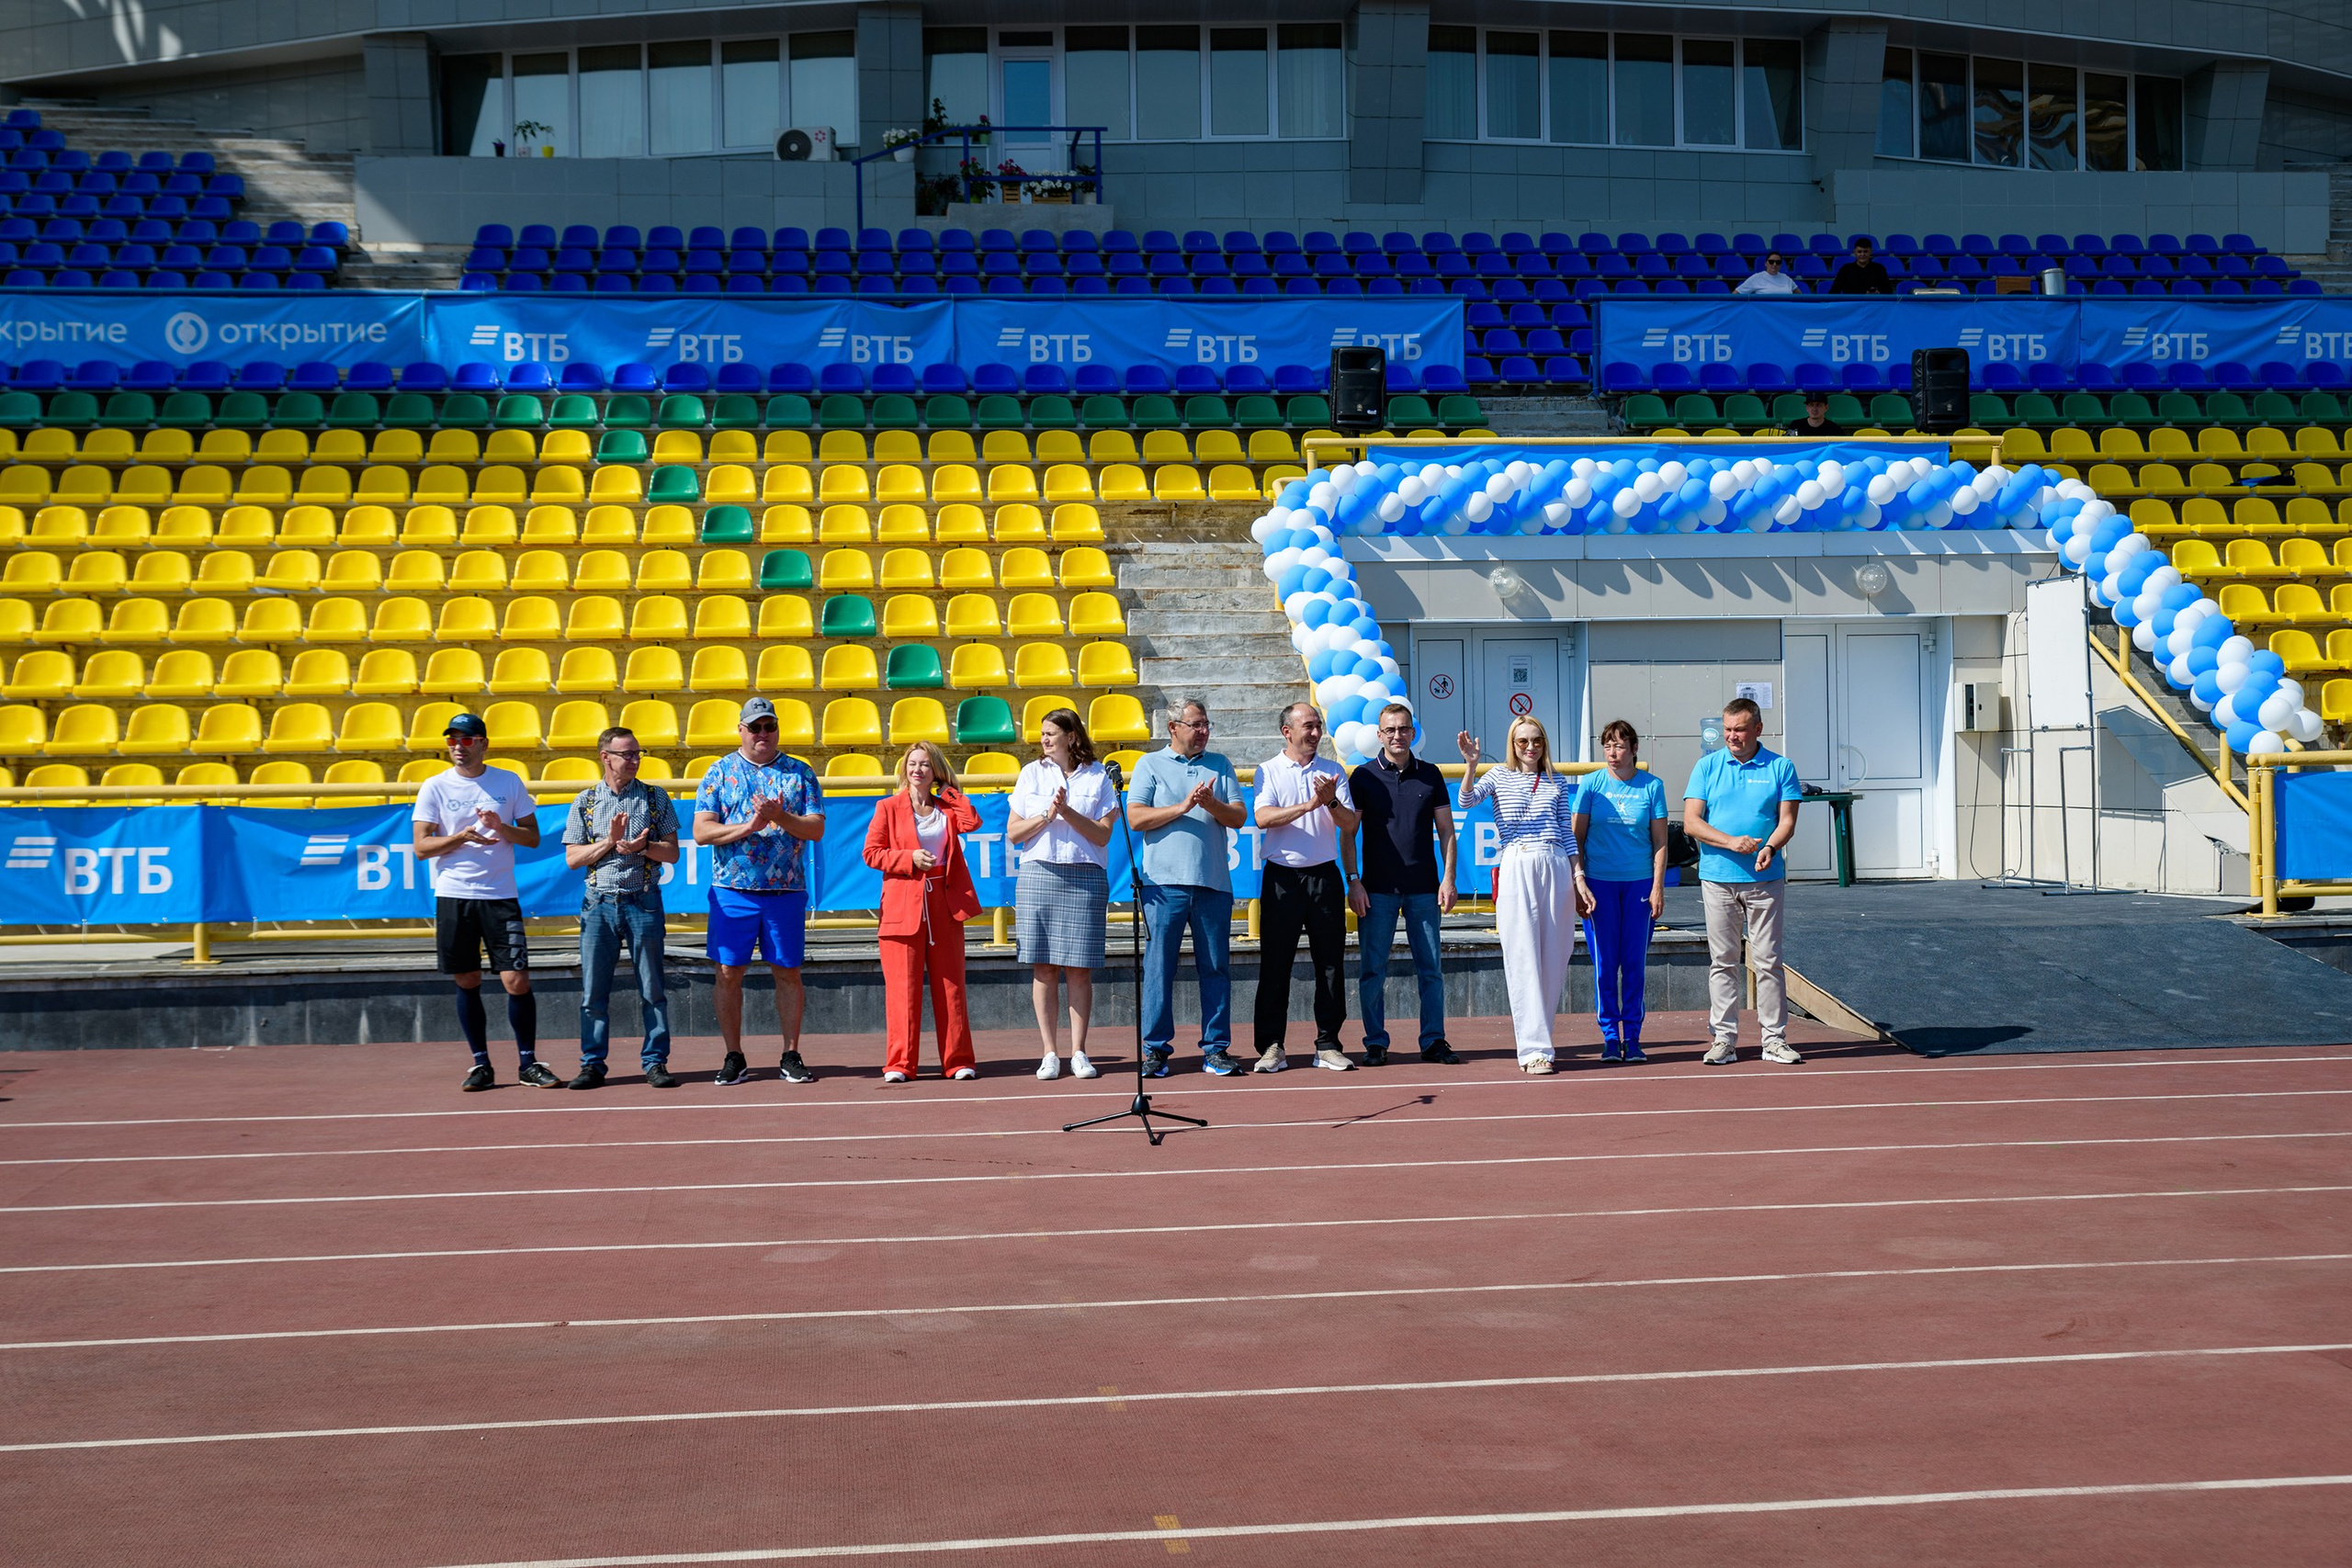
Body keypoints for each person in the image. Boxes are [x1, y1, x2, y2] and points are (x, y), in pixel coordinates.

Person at [692, 696, 826, 1087]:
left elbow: (815, 829)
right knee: (729, 972)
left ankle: (790, 1053)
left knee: (788, 972)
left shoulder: (799, 773)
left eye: (769, 726)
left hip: (785, 891)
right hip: (733, 891)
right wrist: (749, 828)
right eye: (755, 727)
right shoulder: (719, 772)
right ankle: (734, 1054)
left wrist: (779, 816)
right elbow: (702, 832)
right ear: (741, 730)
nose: (763, 734)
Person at [413, 713, 547, 1092]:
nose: (458, 746)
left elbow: (533, 838)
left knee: (516, 980)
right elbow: (422, 847)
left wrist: (501, 828)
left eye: (467, 739)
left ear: (484, 743)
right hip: (454, 895)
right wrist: (462, 836)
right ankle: (481, 1064)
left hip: (500, 895)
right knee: (467, 979)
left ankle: (528, 1063)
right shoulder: (434, 786)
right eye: (452, 739)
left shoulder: (507, 781)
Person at [1456, 717, 1591, 1074]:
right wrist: (1471, 766)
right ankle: (1532, 1050)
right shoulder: (1499, 775)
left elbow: (1566, 831)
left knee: (1556, 954)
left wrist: (1579, 877)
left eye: (1536, 741)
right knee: (1522, 955)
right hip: (1518, 858)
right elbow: (1467, 800)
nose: (1530, 748)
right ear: (1511, 745)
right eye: (1522, 742)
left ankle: (1543, 1042)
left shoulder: (1556, 780)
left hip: (1556, 864)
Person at [1127, 699, 1250, 1077]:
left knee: (1215, 968)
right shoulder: (1150, 764)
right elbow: (1135, 817)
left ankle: (1215, 1048)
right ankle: (1155, 1051)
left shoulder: (1220, 764)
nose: (1203, 732)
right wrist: (1182, 807)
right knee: (1159, 968)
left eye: (1207, 724)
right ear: (1173, 728)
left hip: (1212, 882)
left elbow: (1240, 817)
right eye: (1196, 725)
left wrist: (1211, 803)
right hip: (1163, 886)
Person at [1682, 697, 1806, 1066]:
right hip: (1718, 880)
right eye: (1727, 730)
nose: (1732, 737)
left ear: (1757, 729)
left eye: (1739, 730)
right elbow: (1692, 822)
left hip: (1765, 880)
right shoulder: (1706, 766)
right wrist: (1730, 842)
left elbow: (1787, 821)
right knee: (1722, 961)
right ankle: (1724, 1040)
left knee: (1768, 960)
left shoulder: (1781, 767)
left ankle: (1774, 1040)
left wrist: (1769, 845)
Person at [560, 726, 680, 1089]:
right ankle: (592, 1064)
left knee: (652, 988)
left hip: (642, 900)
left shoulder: (655, 798)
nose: (634, 760)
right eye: (626, 754)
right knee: (593, 991)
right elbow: (572, 858)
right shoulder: (585, 801)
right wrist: (610, 844)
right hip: (598, 904)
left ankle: (655, 1062)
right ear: (605, 757)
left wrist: (643, 848)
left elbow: (672, 852)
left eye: (637, 753)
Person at [1007, 707, 1117, 1081]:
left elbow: (1103, 835)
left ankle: (1079, 1052)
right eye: (1042, 734)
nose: (1045, 739)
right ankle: (1049, 1053)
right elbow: (1015, 833)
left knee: (1080, 970)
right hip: (1039, 874)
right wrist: (1047, 815)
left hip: (1085, 876)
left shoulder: (1099, 775)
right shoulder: (1031, 773)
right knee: (1044, 967)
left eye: (1052, 733)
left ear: (1072, 736)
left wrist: (1067, 812)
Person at [1348, 702, 1461, 1066]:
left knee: (1431, 970)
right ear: (1379, 735)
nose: (1398, 735)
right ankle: (1376, 1043)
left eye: (1404, 729)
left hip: (1424, 889)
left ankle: (1433, 1041)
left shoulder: (1431, 775)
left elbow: (1446, 831)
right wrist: (1354, 881)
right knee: (1372, 971)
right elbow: (1348, 834)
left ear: (1413, 733)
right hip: (1376, 890)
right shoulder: (1362, 777)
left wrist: (1449, 879)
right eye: (1390, 730)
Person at [1252, 702, 1361, 1073]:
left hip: (1324, 877)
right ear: (1287, 731)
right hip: (1282, 877)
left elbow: (1349, 825)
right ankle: (1271, 1046)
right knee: (1275, 965)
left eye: (1318, 726)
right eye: (1308, 726)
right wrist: (1309, 804)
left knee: (1330, 964)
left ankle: (1328, 1044)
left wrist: (1328, 800)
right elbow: (1263, 817)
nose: (1315, 733)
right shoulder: (1267, 770)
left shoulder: (1333, 771)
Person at [864, 741, 982, 1084]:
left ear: (936, 772)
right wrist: (908, 859)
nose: (918, 770)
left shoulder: (946, 808)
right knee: (903, 989)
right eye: (913, 764)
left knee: (951, 987)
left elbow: (972, 822)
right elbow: (872, 853)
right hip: (903, 905)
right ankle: (899, 1064)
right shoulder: (887, 807)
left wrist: (951, 793)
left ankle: (958, 1060)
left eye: (926, 765)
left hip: (944, 904)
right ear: (904, 769)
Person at [1571, 720, 1670, 1064]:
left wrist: (1657, 886)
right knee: (1604, 964)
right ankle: (1611, 1037)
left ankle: (1635, 1037)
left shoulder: (1652, 786)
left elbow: (1660, 842)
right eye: (1608, 746)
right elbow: (1576, 839)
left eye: (1620, 746)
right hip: (1599, 885)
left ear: (1634, 749)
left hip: (1639, 885)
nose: (1613, 753)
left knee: (1633, 964)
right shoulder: (1591, 785)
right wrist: (1578, 882)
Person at [1828, 237, 1894, 296]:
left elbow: (1888, 291)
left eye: (1865, 251)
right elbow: (1834, 291)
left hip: (1874, 305)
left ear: (1871, 252)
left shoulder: (1879, 269)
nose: (1862, 254)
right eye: (1859, 252)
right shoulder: (1846, 269)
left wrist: (1878, 293)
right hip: (1852, 306)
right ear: (1855, 252)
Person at [1735, 250, 1800, 296]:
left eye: (1778, 262)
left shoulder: (1786, 278)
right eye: (1771, 262)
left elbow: (1799, 295)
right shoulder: (1756, 278)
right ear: (1766, 263)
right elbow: (1736, 293)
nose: (1774, 264)